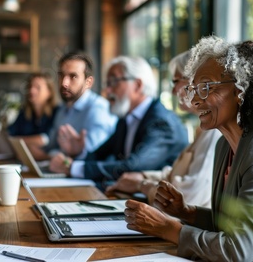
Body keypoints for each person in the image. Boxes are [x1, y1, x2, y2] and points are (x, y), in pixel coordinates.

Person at [123, 36, 253, 261]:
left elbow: (238, 251)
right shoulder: (224, 145)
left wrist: (167, 227)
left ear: (239, 91)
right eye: (192, 89)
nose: (195, 100)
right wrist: (187, 213)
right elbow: (232, 225)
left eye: (205, 87)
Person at [49, 56, 189, 185]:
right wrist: (78, 153)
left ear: (138, 85)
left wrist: (72, 167)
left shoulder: (162, 123)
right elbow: (100, 155)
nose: (107, 90)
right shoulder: (126, 119)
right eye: (106, 84)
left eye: (114, 82)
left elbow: (132, 167)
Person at [105, 51, 221, 207]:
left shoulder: (215, 130)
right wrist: (143, 177)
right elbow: (175, 174)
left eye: (176, 81)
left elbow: (189, 197)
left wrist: (143, 185)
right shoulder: (204, 129)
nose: (173, 91)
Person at [25, 52, 117, 161]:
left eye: (73, 76)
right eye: (61, 75)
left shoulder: (98, 109)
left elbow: (93, 158)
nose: (64, 83)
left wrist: (48, 157)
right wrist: (34, 151)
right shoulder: (63, 109)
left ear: (88, 82)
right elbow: (52, 145)